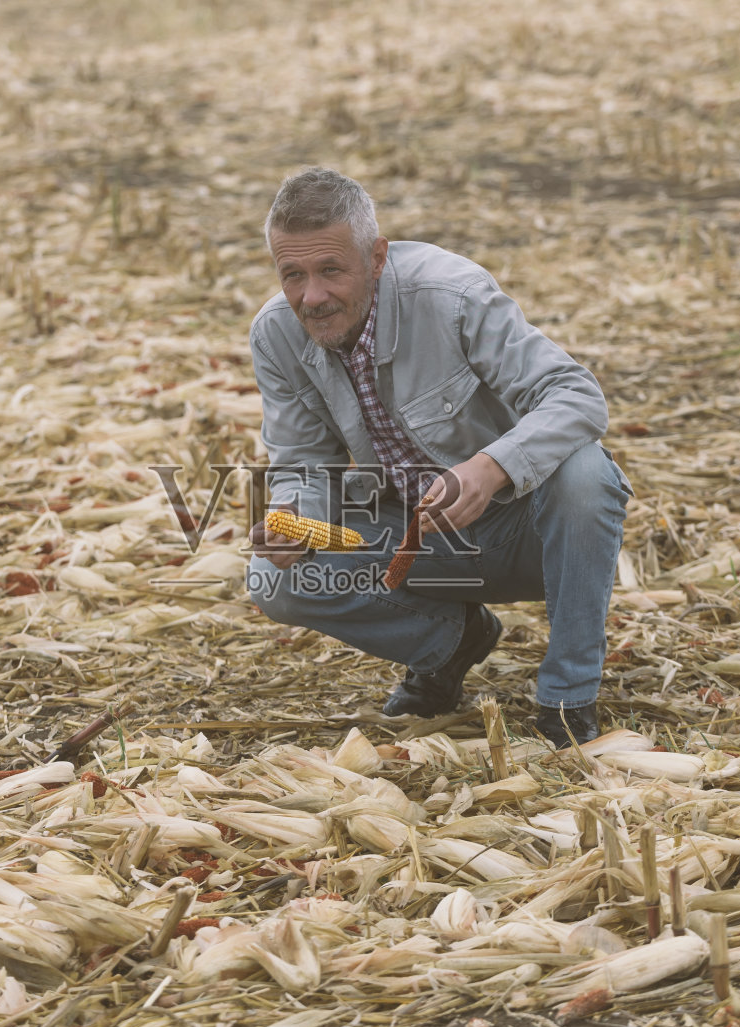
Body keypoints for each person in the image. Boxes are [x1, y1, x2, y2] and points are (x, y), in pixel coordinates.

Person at [245, 166, 630, 746]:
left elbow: (576, 396)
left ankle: (568, 695)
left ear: (376, 258)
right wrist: (296, 521)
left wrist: (490, 467)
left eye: (330, 270)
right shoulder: (276, 334)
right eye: (292, 275)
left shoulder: (454, 295)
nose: (312, 296)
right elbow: (302, 460)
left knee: (584, 472)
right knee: (274, 581)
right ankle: (452, 644)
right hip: (414, 539)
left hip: (524, 530)